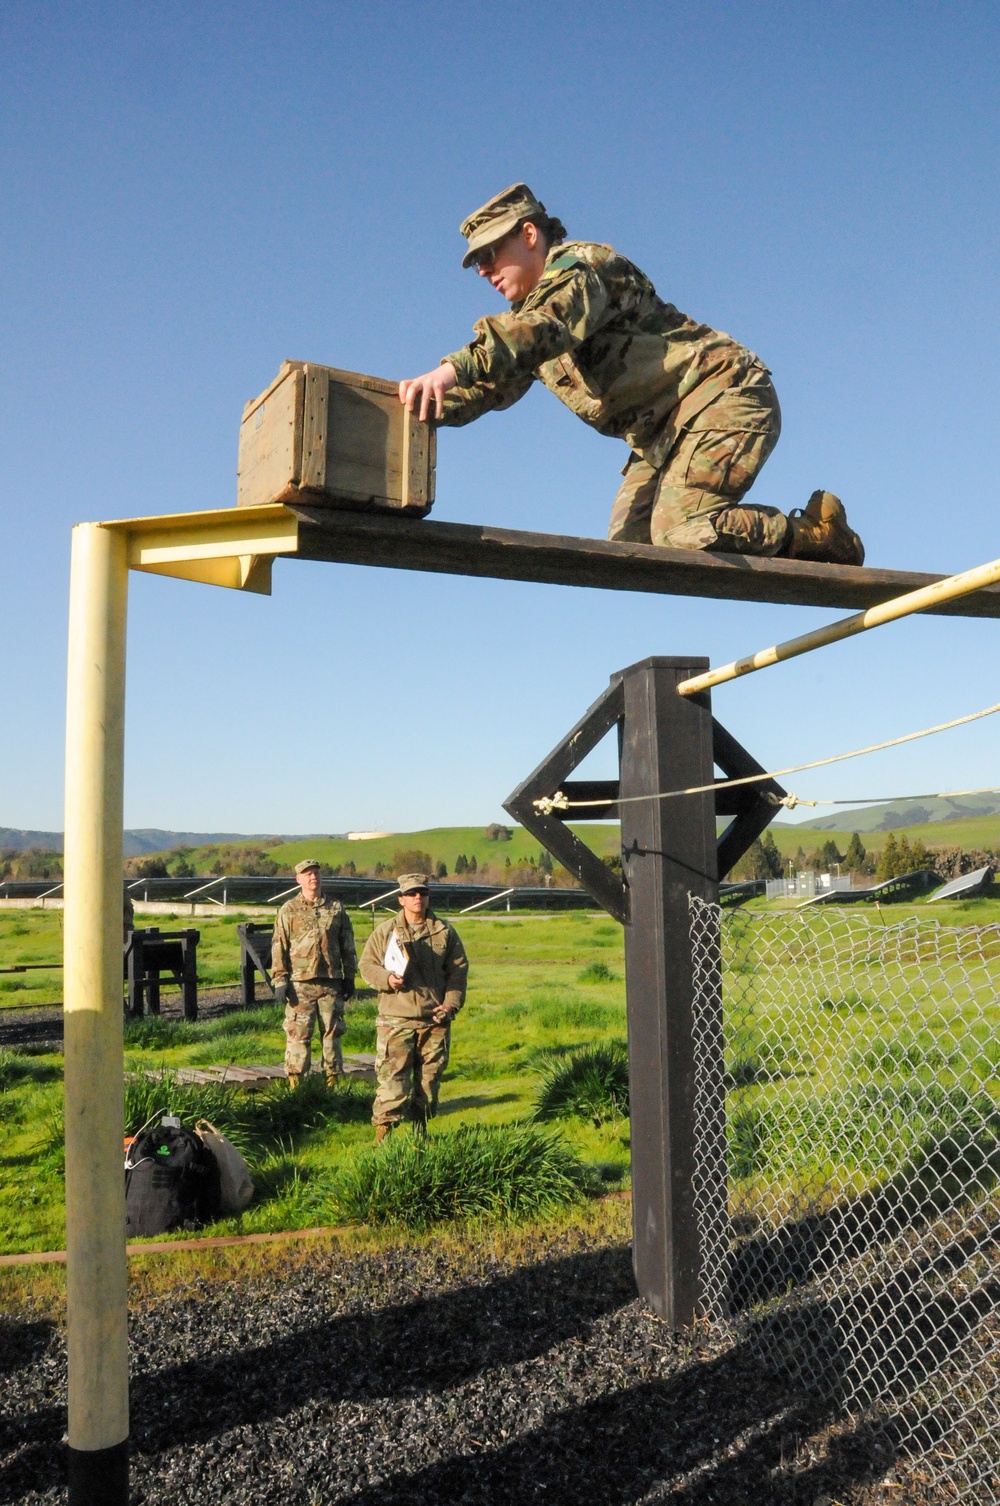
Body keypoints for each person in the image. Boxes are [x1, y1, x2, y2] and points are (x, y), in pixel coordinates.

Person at [399, 182, 864, 566]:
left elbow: (536, 329)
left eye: (490, 254)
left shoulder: (582, 269)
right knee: (630, 545)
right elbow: (488, 385)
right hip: (663, 434)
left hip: (724, 395)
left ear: (529, 234)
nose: (483, 271)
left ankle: (817, 535)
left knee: (680, 535)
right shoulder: (532, 324)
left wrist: (450, 368)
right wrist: (402, 407)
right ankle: (751, 534)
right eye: (476, 263)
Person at [359, 872, 469, 1143]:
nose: (417, 897)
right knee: (392, 1083)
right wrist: (386, 978)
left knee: (428, 1085)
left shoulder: (444, 931)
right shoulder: (385, 931)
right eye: (411, 894)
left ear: (428, 896)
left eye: (421, 892)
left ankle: (421, 1137)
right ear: (401, 899)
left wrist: (450, 1006)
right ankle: (382, 1141)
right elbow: (367, 965)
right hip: (396, 1019)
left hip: (434, 1020)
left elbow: (457, 972)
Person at [271, 859, 358, 1089]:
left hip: (331, 983)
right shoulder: (289, 910)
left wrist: (350, 977)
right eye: (307, 874)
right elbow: (279, 945)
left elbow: (347, 944)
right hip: (300, 984)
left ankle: (333, 1084)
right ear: (298, 879)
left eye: (316, 873)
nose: (313, 877)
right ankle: (296, 1087)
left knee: (332, 1035)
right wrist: (280, 980)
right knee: (299, 1035)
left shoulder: (336, 908)